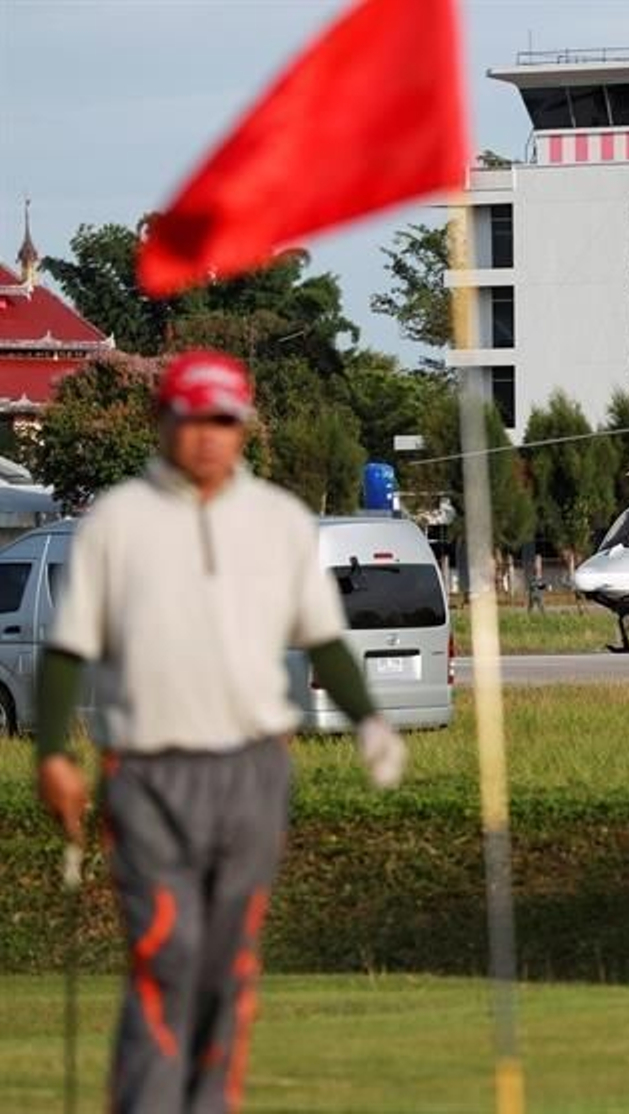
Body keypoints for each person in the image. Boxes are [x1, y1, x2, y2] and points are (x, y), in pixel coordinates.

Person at [32, 350, 408, 1114]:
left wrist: (369, 719)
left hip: (253, 769)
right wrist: (51, 755)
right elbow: (67, 649)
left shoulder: (277, 522)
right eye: (191, 418)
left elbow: (324, 637)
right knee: (167, 955)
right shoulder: (117, 522)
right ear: (161, 421)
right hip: (148, 772)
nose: (207, 436)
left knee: (228, 964)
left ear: (241, 428)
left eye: (223, 421)